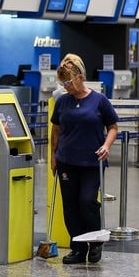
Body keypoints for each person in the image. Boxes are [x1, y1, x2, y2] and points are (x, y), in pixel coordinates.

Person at [50, 54, 119, 265]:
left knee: (87, 201)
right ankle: (78, 249)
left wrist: (106, 146)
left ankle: (95, 242)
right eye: (63, 83)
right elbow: (55, 130)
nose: (66, 86)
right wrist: (53, 156)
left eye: (69, 82)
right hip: (66, 162)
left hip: (92, 162)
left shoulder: (99, 101)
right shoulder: (62, 101)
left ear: (80, 77)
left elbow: (113, 127)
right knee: (70, 206)